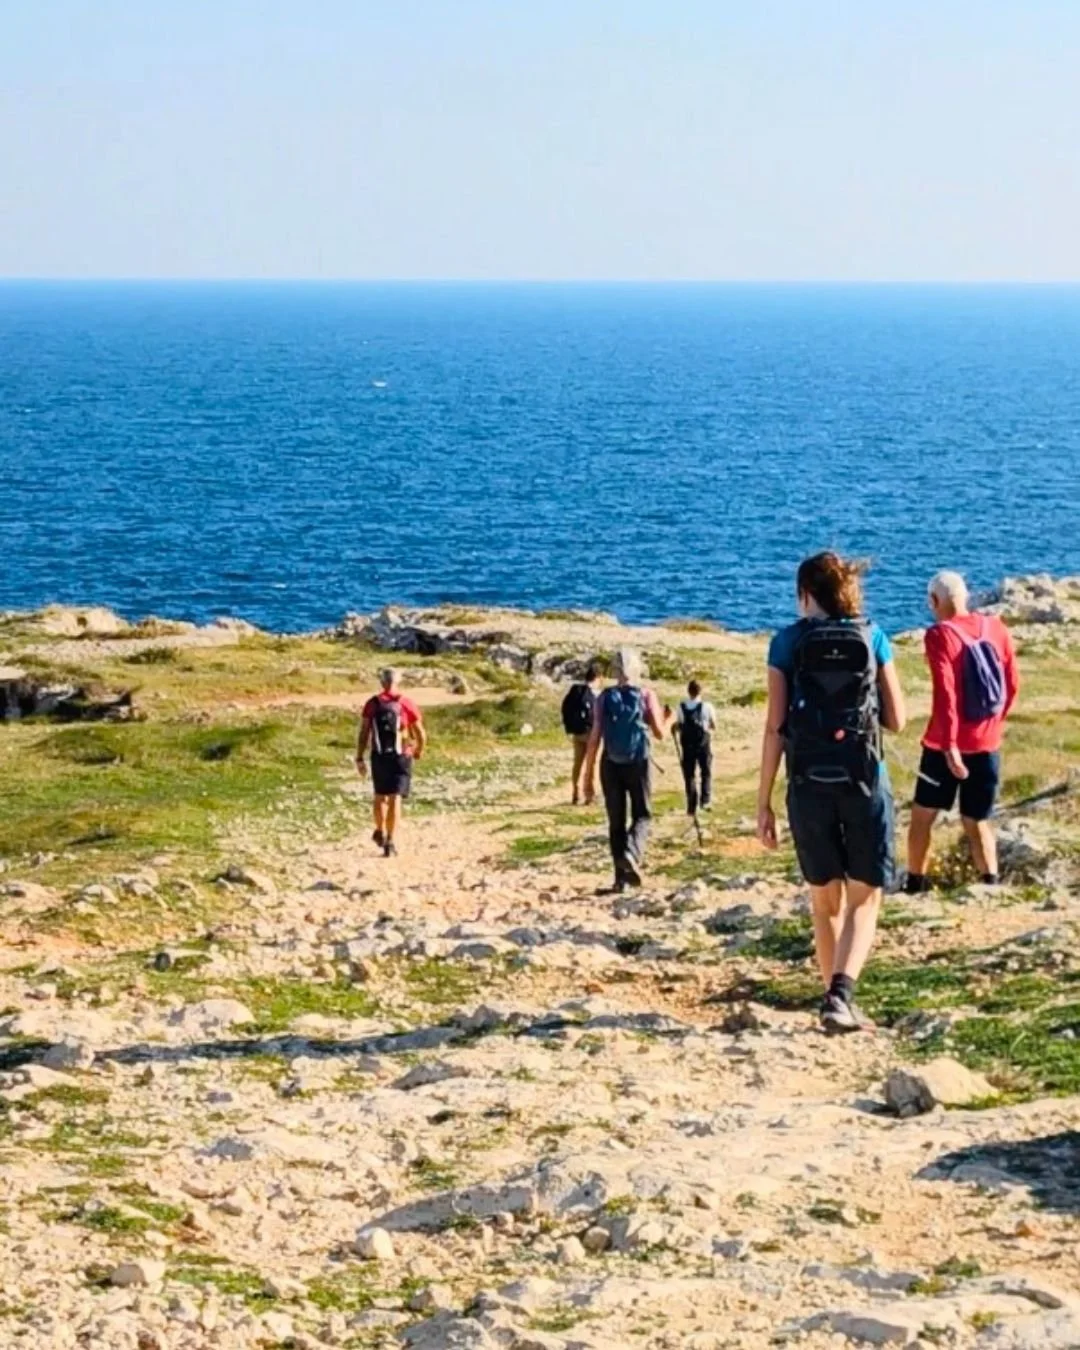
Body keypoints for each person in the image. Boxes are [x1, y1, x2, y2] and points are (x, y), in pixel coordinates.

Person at [757, 552, 906, 1035]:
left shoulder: (785, 643)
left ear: (805, 594)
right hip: (864, 778)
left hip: (807, 784)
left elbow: (774, 728)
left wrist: (763, 803)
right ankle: (841, 997)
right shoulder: (872, 635)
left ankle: (832, 1002)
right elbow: (897, 720)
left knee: (825, 901)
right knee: (866, 897)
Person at [905, 570, 1019, 893]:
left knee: (923, 815)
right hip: (987, 743)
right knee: (977, 820)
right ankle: (990, 883)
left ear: (934, 601)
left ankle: (916, 883)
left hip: (944, 745)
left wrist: (951, 744)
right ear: (965, 596)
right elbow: (1012, 685)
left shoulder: (940, 635)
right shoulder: (996, 628)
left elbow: (947, 694)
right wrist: (993, 725)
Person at [584, 647, 672, 890]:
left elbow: (594, 739)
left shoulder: (604, 697)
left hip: (610, 764)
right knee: (642, 814)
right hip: (639, 761)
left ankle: (620, 880)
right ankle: (632, 853)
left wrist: (587, 777)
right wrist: (670, 719)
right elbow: (660, 733)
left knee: (616, 821)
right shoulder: (646, 695)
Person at [356, 667, 427, 858]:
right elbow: (420, 732)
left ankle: (379, 829)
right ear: (398, 681)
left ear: (382, 682)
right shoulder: (406, 703)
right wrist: (419, 750)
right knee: (395, 798)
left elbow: (364, 732)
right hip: (401, 756)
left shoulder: (372, 704)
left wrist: (359, 757)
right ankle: (390, 840)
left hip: (379, 756)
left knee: (380, 796)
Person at [561, 661, 603, 805]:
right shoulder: (597, 694)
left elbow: (565, 708)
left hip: (577, 732)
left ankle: (576, 792)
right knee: (591, 764)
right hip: (591, 733)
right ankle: (589, 795)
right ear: (598, 677)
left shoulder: (576, 690)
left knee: (577, 762)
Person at [673, 679, 717, 815]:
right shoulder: (707, 706)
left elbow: (679, 724)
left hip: (687, 745)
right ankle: (705, 800)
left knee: (689, 774)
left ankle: (691, 805)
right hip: (703, 743)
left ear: (688, 691)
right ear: (700, 691)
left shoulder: (681, 706)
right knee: (706, 772)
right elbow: (714, 725)